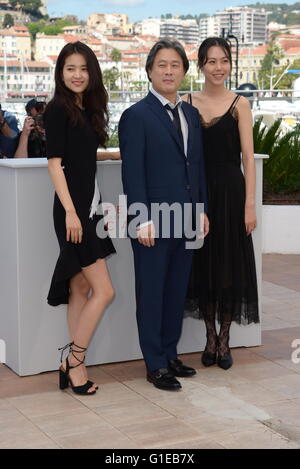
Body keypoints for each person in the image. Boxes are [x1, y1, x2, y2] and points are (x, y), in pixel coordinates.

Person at [119, 39, 209, 391]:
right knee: (152, 293)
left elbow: (195, 167)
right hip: (152, 221)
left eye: (175, 65)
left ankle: (170, 354)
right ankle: (155, 364)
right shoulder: (136, 116)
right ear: (150, 71)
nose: (169, 71)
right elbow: (133, 173)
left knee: (176, 292)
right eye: (162, 65)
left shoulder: (190, 114)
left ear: (184, 71)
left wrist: (201, 210)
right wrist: (140, 218)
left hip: (186, 219)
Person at [44, 41, 117, 395]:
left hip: (90, 208)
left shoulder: (84, 109)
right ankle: (76, 361)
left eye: (84, 69)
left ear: (92, 73)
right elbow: (55, 164)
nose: (77, 75)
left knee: (81, 287)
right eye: (70, 68)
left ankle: (69, 364)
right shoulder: (57, 109)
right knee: (105, 291)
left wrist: (110, 154)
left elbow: (82, 157)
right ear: (61, 72)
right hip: (74, 212)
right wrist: (72, 213)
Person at [183, 37, 259, 370]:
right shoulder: (186, 102)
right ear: (201, 65)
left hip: (230, 193)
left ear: (230, 64)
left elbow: (248, 158)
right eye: (211, 61)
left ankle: (224, 340)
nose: (218, 67)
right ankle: (209, 337)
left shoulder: (240, 103)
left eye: (224, 60)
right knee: (203, 265)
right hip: (199, 195)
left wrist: (249, 205)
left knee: (228, 267)